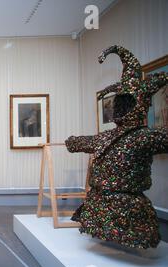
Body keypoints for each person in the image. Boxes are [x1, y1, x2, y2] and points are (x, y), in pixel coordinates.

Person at [65, 45, 167, 249]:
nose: (120, 108)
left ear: (138, 104)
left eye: (126, 102)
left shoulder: (144, 137)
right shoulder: (108, 136)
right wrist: (72, 141)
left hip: (129, 208)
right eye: (120, 103)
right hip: (99, 203)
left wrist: (74, 142)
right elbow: (79, 142)